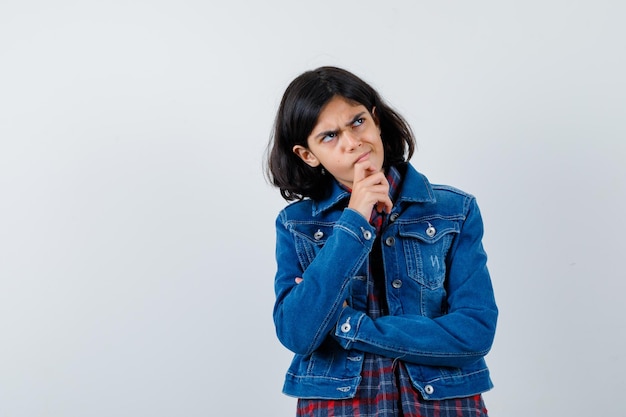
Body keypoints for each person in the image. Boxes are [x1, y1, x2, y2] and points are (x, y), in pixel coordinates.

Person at [265, 66, 498, 417]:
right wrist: (354, 220)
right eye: (329, 136)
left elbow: (475, 332)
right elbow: (298, 332)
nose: (352, 141)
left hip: (444, 406)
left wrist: (350, 326)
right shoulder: (296, 225)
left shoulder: (454, 210)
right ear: (307, 155)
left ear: (375, 120)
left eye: (357, 122)